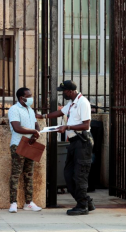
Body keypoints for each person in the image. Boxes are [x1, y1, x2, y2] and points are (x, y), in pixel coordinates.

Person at [36, 80, 95, 215]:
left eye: (64, 91)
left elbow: (86, 125)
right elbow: (60, 112)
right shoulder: (72, 103)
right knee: (68, 174)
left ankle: (82, 206)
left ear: (70, 91)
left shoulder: (83, 103)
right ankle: (86, 201)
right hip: (74, 143)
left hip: (83, 142)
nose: (63, 94)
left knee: (79, 175)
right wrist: (43, 116)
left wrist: (67, 127)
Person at [7, 87, 42, 213]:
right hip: (18, 144)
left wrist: (35, 134)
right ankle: (13, 203)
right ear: (22, 98)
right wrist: (34, 131)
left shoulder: (30, 110)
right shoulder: (14, 109)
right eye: (29, 96)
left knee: (29, 174)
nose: (31, 98)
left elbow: (36, 124)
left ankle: (29, 202)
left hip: (30, 144)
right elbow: (17, 127)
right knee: (16, 174)